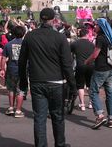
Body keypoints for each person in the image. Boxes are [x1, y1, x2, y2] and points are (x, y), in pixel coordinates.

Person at [18, 8, 76, 147]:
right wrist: (73, 85)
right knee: (58, 117)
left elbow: (22, 61)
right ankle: (60, 144)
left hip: (37, 81)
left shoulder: (30, 36)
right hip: (56, 81)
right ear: (53, 20)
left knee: (39, 118)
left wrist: (23, 83)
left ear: (40, 19)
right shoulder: (60, 37)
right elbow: (67, 64)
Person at [85, 18, 112, 129]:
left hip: (101, 68)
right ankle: (111, 119)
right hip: (110, 68)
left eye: (96, 25)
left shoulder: (100, 38)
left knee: (93, 91)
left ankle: (100, 115)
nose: (94, 27)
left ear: (101, 26)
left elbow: (95, 54)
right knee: (109, 94)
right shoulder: (110, 36)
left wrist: (87, 61)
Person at [0, 25, 26, 118]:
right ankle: (18, 110)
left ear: (13, 33)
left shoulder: (8, 44)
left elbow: (3, 58)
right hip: (22, 70)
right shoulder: (26, 44)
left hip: (11, 68)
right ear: (23, 33)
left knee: (11, 89)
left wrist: (2, 69)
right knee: (21, 90)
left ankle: (11, 107)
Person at [70, 27, 95, 111]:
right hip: (91, 66)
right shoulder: (91, 44)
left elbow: (69, 52)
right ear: (87, 34)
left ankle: (82, 104)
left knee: (80, 86)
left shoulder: (75, 43)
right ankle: (91, 103)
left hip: (80, 66)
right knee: (90, 85)